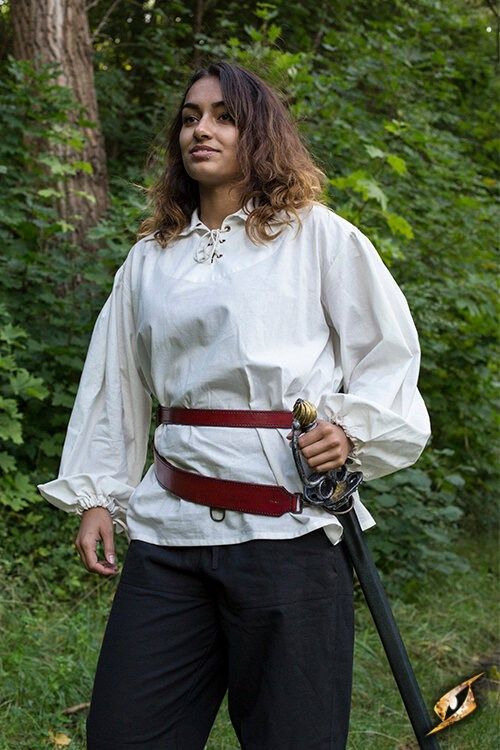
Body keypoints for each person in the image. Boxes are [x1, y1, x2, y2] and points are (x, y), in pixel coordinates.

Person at [38, 61, 431, 750]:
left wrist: (350, 430)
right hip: (170, 536)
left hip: (289, 537)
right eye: (190, 117)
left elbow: (387, 353)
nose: (202, 129)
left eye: (224, 117)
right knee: (127, 736)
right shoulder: (150, 259)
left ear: (261, 134)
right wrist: (99, 493)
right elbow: (115, 379)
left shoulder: (318, 237)